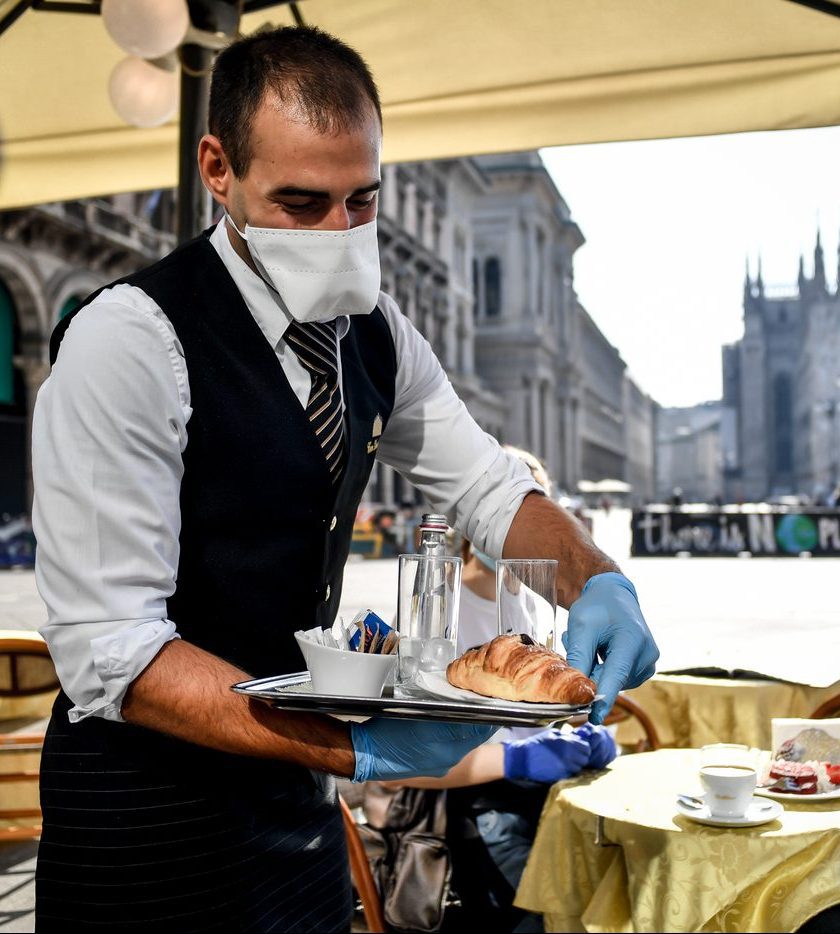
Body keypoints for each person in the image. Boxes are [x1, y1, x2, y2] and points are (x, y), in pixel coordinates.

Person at [30, 27, 658, 932]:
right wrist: (353, 749)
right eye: (301, 202)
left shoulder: (378, 331)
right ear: (217, 167)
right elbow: (111, 650)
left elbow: (484, 486)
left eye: (361, 201)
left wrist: (598, 579)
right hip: (147, 834)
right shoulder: (128, 340)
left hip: (297, 822)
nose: (338, 234)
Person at [364, 446, 616, 932]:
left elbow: (534, 705)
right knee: (555, 911)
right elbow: (398, 766)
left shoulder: (528, 607)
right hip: (459, 812)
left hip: (532, 796)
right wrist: (516, 759)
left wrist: (579, 729)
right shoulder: (435, 613)